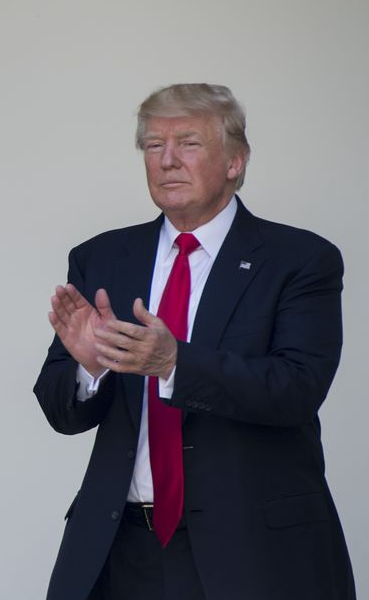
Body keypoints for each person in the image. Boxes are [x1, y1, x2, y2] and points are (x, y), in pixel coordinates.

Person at [34, 83, 355, 600]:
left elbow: (296, 389)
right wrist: (89, 369)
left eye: (188, 143)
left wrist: (174, 363)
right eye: (154, 146)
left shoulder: (299, 260)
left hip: (250, 554)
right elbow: (60, 411)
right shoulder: (102, 258)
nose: (167, 161)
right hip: (121, 550)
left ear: (235, 161)